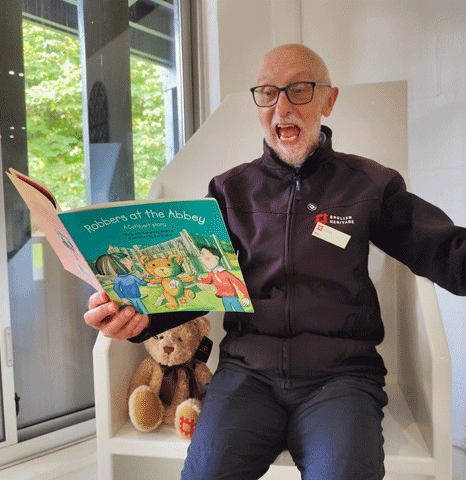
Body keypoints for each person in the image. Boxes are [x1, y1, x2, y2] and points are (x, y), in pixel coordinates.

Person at [84, 44, 466, 479]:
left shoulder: (369, 185)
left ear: (328, 100)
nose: (282, 107)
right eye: (268, 92)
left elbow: (443, 251)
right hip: (247, 376)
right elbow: (193, 284)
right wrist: (134, 317)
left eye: (299, 90)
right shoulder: (229, 191)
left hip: (340, 379)